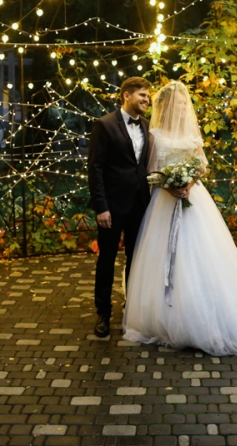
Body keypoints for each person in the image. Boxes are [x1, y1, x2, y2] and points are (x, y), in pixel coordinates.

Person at [123, 81, 237, 356]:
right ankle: (164, 313)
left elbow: (202, 165)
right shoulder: (155, 134)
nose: (184, 107)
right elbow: (151, 169)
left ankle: (208, 305)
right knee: (162, 254)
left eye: (185, 103)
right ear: (168, 105)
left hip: (193, 198)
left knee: (202, 251)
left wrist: (187, 183)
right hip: (163, 201)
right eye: (180, 103)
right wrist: (169, 186)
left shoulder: (191, 135)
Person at [87, 77, 153, 338]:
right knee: (107, 259)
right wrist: (101, 207)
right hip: (112, 207)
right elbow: (95, 168)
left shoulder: (147, 126)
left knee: (136, 260)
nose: (147, 100)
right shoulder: (104, 125)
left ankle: (131, 308)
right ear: (126, 95)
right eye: (142, 95)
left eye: (148, 96)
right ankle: (103, 313)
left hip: (140, 205)